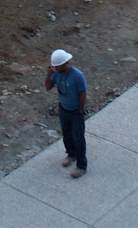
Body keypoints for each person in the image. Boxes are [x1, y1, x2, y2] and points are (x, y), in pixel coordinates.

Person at [45, 49, 87, 178]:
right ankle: (71, 154)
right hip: (63, 108)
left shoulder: (77, 76)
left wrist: (80, 109)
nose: (55, 68)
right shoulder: (56, 74)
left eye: (57, 66)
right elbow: (48, 87)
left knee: (78, 138)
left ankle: (81, 165)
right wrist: (48, 76)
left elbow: (82, 93)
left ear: (64, 64)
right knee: (66, 134)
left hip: (75, 111)